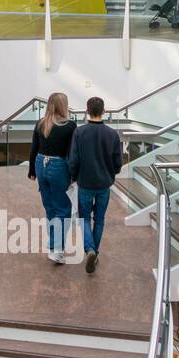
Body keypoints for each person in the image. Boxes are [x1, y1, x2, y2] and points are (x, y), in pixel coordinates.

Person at [68, 96, 122, 274]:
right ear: (104, 112)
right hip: (104, 184)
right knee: (99, 220)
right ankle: (94, 253)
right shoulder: (112, 134)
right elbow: (117, 163)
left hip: (85, 183)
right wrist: (111, 174)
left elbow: (74, 159)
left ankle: (90, 250)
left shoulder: (79, 132)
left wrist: (73, 176)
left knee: (84, 219)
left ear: (87, 111)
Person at [28, 92, 77, 265]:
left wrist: (32, 170)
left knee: (50, 208)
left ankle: (52, 246)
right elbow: (73, 153)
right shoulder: (70, 125)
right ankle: (57, 250)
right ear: (64, 105)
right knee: (63, 209)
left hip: (41, 163)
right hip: (58, 166)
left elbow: (34, 148)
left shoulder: (41, 123)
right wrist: (74, 175)